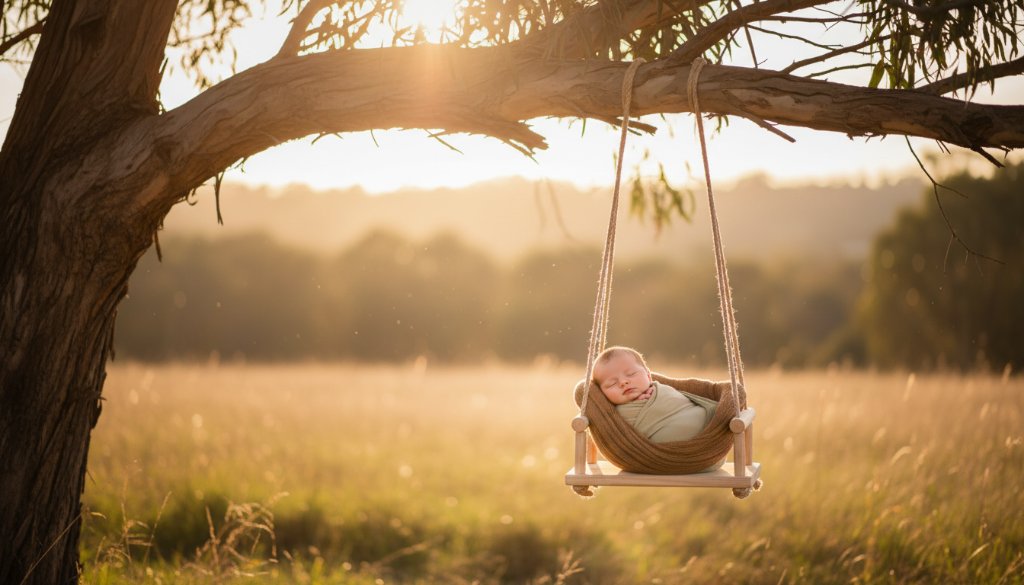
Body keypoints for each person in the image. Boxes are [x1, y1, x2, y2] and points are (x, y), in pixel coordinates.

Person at [592, 346, 725, 465]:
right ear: (602, 394)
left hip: (712, 448)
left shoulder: (662, 389)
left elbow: (683, 402)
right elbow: (623, 439)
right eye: (612, 383)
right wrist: (637, 405)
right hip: (675, 459)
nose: (623, 382)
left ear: (649, 377)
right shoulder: (613, 417)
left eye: (631, 374)